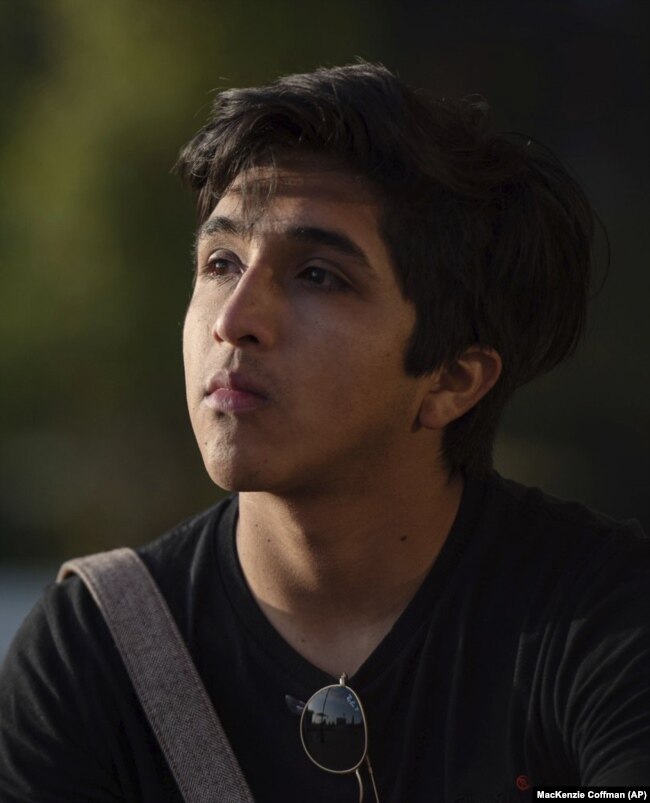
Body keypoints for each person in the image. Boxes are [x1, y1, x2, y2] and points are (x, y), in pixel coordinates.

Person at [0, 62, 648, 802]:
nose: (233, 319)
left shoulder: (606, 624)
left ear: (452, 380)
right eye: (220, 261)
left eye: (317, 275)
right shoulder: (98, 651)